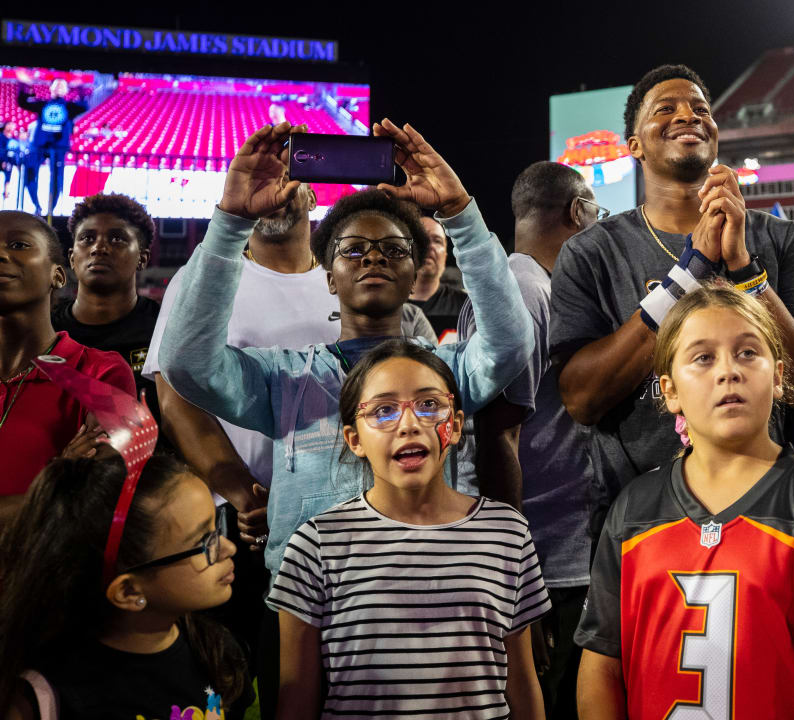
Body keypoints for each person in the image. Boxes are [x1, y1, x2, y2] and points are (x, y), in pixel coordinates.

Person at [157, 120, 533, 712]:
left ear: (416, 277)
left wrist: (461, 212)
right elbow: (185, 364)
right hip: (309, 613)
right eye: (353, 249)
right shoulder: (287, 377)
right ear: (328, 277)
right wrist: (229, 224)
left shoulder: (450, 373)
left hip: (437, 596)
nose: (372, 258)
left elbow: (511, 343)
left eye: (393, 250)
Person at [143, 149, 430, 719]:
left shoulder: (365, 281)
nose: (280, 184)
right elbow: (180, 395)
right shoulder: (205, 275)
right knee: (257, 678)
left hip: (383, 532)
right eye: (270, 173)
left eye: (293, 172)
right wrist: (240, 487)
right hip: (253, 523)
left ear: (313, 196)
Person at [575, 284, 794, 720]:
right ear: (670, 391)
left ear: (778, 377)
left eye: (747, 353)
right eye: (703, 357)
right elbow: (600, 674)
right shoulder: (633, 510)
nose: (728, 371)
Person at [550, 64, 794, 527]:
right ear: (634, 145)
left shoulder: (779, 240)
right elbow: (582, 399)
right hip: (640, 518)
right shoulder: (592, 251)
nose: (689, 115)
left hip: (771, 512)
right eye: (666, 109)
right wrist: (691, 270)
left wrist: (744, 268)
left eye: (701, 108)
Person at [269, 340, 548, 719]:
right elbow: (296, 696)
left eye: (429, 405)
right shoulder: (316, 546)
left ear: (455, 426)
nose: (409, 424)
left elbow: (522, 683)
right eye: (383, 411)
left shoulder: (507, 533)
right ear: (354, 440)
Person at [451, 161, 600, 715]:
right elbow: (496, 439)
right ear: (578, 212)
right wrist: (517, 580)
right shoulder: (521, 289)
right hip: (543, 563)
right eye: (595, 211)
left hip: (558, 553)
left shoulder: (538, 284)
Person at [0, 454, 250, 720]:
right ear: (129, 592)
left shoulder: (215, 652)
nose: (229, 548)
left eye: (215, 529)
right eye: (204, 543)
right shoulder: (42, 698)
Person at [0, 210, 134, 515]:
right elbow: (63, 500)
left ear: (57, 275)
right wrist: (54, 482)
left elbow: (91, 506)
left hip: (46, 564)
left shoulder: (103, 373)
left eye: (19, 245)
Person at [52, 193, 162, 425]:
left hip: (150, 459)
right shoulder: (46, 331)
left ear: (142, 259)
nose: (99, 248)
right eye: (87, 238)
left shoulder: (165, 329)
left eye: (117, 239)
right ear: (72, 258)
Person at [18, 77, 86, 217]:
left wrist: (80, 88)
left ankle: (51, 210)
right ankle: (37, 206)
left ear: (67, 90)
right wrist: (26, 85)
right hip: (38, 145)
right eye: (57, 85)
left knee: (57, 178)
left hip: (59, 146)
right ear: (51, 88)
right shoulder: (42, 104)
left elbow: (84, 105)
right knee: (29, 174)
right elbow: (22, 102)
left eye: (63, 86)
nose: (59, 88)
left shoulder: (69, 107)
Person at [408, 214, 469, 342]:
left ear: (445, 254)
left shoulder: (466, 306)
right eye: (420, 239)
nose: (429, 246)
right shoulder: (384, 303)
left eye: (437, 241)